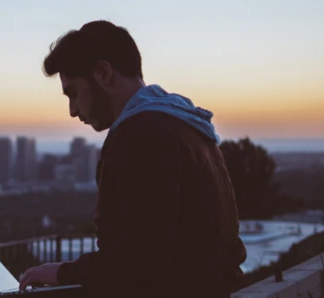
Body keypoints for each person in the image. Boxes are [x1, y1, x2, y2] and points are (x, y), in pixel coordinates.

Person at [18, 20, 247, 297]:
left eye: (74, 93)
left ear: (103, 72)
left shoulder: (141, 135)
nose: (72, 110)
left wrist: (62, 273)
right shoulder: (188, 126)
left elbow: (141, 263)